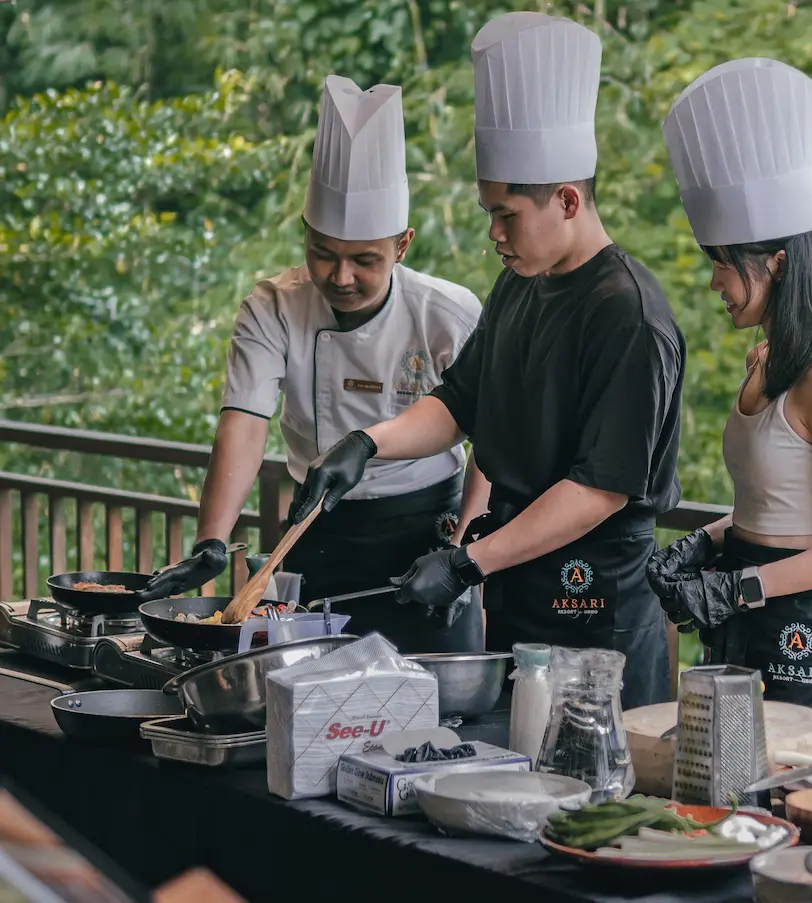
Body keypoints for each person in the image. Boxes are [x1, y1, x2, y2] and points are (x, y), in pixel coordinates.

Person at [286, 13, 686, 710]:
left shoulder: (627, 312)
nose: (494, 234)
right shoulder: (522, 283)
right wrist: (367, 443)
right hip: (519, 595)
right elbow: (458, 402)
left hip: (597, 612)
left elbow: (599, 490)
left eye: (507, 215)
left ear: (567, 200)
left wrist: (468, 561)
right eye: (488, 214)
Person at [137, 75, 488, 654]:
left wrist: (463, 553)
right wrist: (212, 541)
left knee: (435, 701)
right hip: (316, 534)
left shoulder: (446, 314)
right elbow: (244, 421)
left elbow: (492, 441)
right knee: (309, 694)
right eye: (322, 253)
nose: (340, 276)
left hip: (425, 540)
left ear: (402, 245)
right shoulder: (272, 306)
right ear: (305, 233)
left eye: (364, 260)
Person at [648, 58, 812, 751]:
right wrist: (707, 543)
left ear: (776, 261)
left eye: (723, 263)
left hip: (803, 640)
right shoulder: (766, 360)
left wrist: (740, 588)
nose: (716, 283)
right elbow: (773, 507)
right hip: (746, 626)